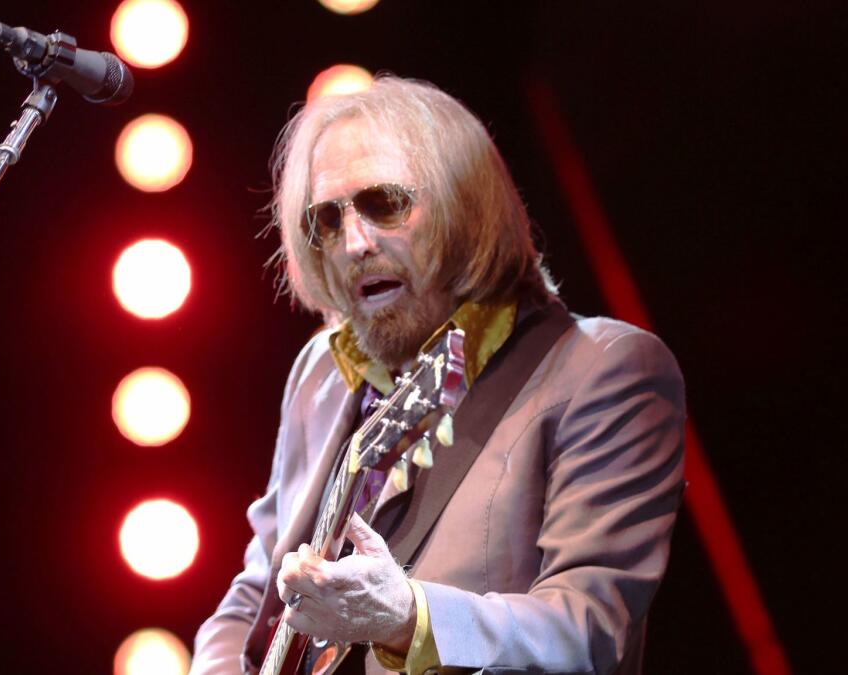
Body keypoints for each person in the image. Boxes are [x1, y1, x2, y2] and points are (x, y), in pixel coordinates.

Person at [190, 76, 685, 675]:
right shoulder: (319, 371)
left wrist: (406, 617)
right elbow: (257, 589)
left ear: (465, 209)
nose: (353, 243)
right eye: (326, 219)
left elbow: (587, 630)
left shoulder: (604, 368)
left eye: (385, 203)